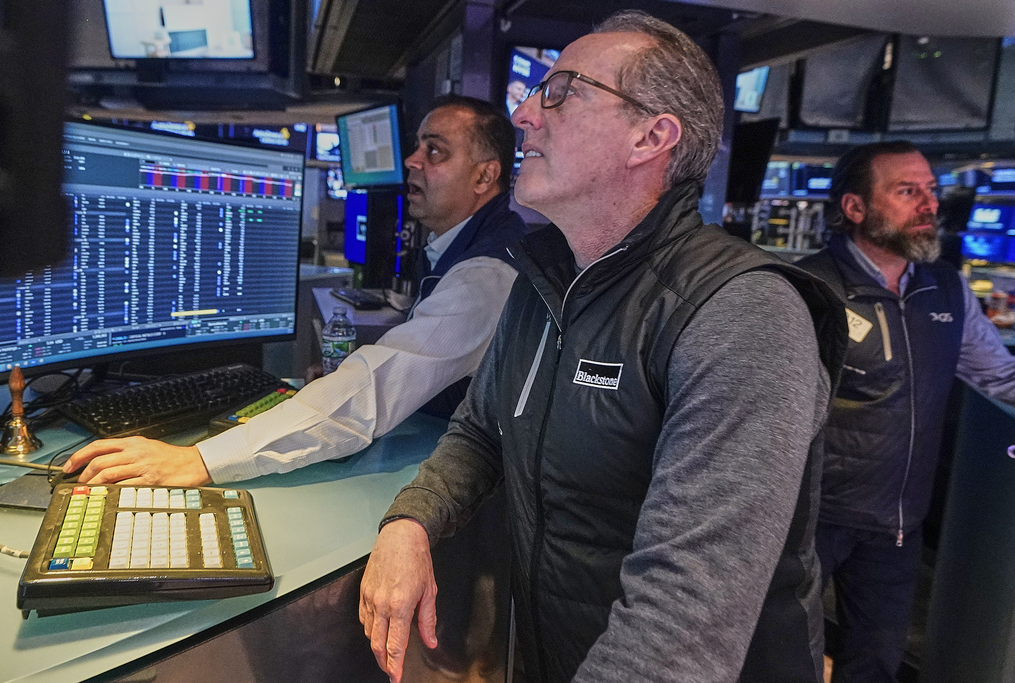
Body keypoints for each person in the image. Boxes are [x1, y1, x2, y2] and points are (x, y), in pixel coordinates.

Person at [359, 10, 847, 683]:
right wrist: (410, 522)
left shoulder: (742, 313)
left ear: (652, 135)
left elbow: (681, 622)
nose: (526, 112)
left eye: (561, 91)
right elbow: (480, 431)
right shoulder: (542, 283)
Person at [61, 96, 529, 486]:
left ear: (485, 176)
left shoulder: (487, 276)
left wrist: (198, 460)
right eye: (416, 147)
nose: (411, 160)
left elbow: (375, 392)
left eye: (435, 152)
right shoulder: (470, 247)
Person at [795, 141, 1015, 682]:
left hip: (897, 524)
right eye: (906, 190)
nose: (928, 204)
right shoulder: (808, 289)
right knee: (780, 656)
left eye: (931, 190)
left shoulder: (945, 289)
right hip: (809, 519)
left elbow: (1000, 377)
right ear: (855, 208)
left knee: (876, 665)